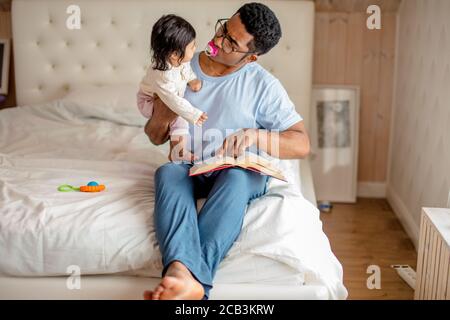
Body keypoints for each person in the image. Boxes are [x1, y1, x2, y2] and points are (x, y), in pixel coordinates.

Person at [143, 2, 311, 300]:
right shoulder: (179, 66)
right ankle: (187, 279)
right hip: (191, 166)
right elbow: (155, 137)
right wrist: (166, 110)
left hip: (238, 169)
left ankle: (185, 276)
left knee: (235, 177)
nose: (218, 40)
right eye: (223, 29)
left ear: (252, 57)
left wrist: (256, 135)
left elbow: (301, 144)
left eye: (232, 42)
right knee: (168, 172)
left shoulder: (263, 86)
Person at [137, 14, 208, 161]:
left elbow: (185, 69)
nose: (195, 47)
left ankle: (174, 149)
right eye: (192, 46)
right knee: (179, 116)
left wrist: (192, 79)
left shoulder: (181, 60)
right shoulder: (162, 75)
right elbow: (173, 101)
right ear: (175, 54)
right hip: (148, 101)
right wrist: (193, 114)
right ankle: (178, 151)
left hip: (166, 97)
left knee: (177, 116)